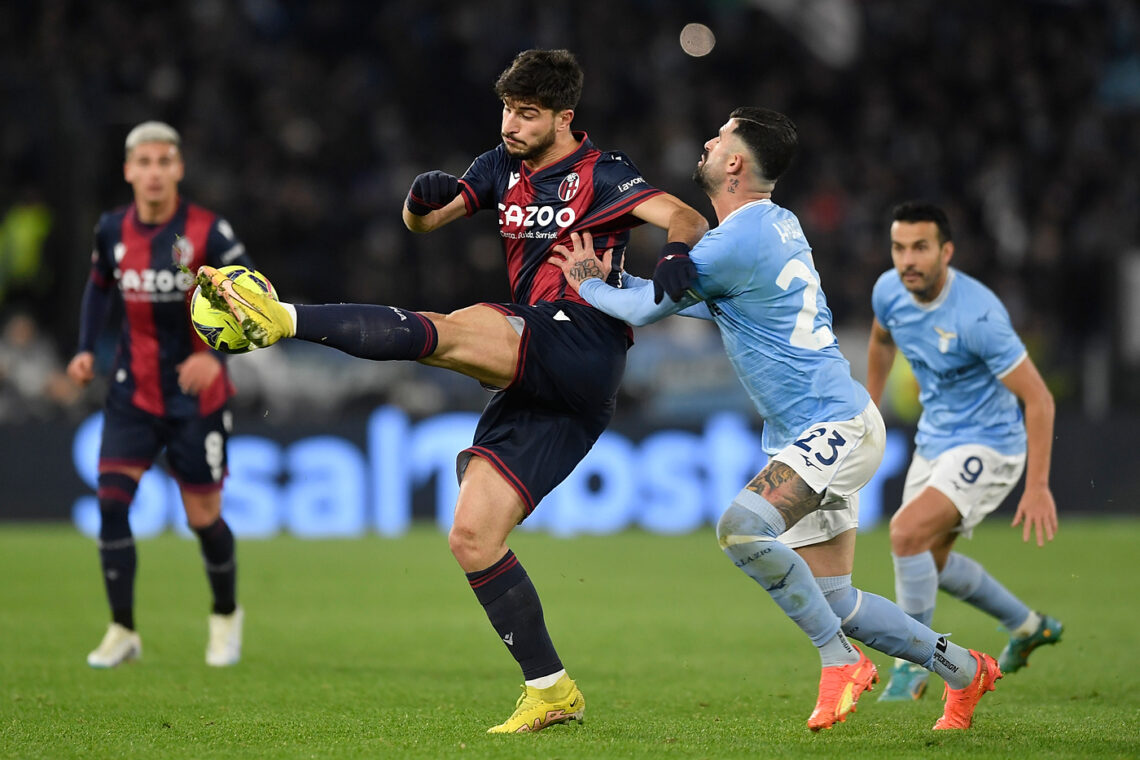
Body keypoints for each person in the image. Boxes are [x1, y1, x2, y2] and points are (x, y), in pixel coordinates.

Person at [194, 49, 708, 732]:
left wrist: (673, 257)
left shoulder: (602, 173)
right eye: (506, 109)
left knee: (453, 331)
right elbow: (427, 222)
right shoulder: (499, 166)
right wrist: (416, 202)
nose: (510, 124)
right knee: (472, 536)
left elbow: (686, 219)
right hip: (548, 382)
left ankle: (284, 317)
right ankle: (551, 690)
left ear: (564, 117)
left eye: (527, 113)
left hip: (583, 340)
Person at [548, 108, 1001, 731]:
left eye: (718, 137)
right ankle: (966, 670)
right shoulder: (774, 226)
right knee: (838, 601)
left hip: (831, 427)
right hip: (827, 425)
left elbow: (654, 310)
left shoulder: (735, 238)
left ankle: (839, 662)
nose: (707, 142)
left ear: (734, 163)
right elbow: (712, 306)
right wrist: (619, 276)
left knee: (740, 529)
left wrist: (587, 284)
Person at [66, 121, 253, 668]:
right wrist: (84, 349)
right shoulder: (111, 230)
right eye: (143, 162)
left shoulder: (207, 232)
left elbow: (247, 298)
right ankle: (122, 630)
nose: (153, 172)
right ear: (128, 170)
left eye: (163, 161)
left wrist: (211, 354)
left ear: (178, 168)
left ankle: (224, 616)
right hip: (133, 391)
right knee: (110, 502)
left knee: (203, 519)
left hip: (197, 396)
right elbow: (99, 286)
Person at [865, 201, 1062, 701]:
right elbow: (881, 340)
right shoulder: (889, 291)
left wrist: (1037, 486)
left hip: (989, 444)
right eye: (899, 248)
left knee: (906, 533)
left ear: (945, 252)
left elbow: (1038, 398)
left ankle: (912, 668)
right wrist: (871, 407)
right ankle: (1027, 624)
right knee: (929, 559)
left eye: (920, 248)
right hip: (935, 437)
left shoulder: (979, 315)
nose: (908, 260)